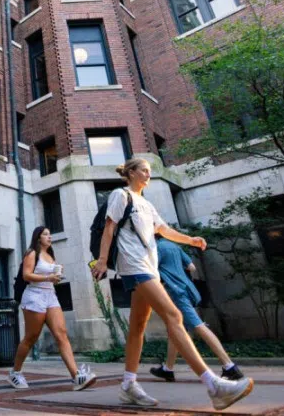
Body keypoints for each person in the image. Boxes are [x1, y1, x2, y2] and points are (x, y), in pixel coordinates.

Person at [91, 158, 253, 411]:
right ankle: (214, 386)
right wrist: (101, 260)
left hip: (149, 266)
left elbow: (165, 231)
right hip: (133, 265)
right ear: (131, 172)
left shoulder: (146, 203)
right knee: (174, 315)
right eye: (144, 170)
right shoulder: (120, 195)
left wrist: (191, 240)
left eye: (149, 171)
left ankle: (128, 385)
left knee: (137, 327)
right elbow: (109, 228)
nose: (148, 174)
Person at [9, 226, 97, 392]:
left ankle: (77, 376)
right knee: (31, 337)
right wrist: (48, 276)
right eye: (45, 234)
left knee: (61, 334)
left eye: (50, 234)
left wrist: (56, 275)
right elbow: (26, 275)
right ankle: (15, 372)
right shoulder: (31, 253)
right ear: (38, 237)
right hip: (34, 296)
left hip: (50, 295)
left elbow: (50, 277)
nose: (49, 237)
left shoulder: (50, 255)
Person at [149, 234, 244, 383]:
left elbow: (151, 271)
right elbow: (191, 267)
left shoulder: (156, 248)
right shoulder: (174, 246)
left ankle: (229, 366)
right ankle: (168, 369)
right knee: (175, 329)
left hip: (176, 292)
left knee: (198, 326)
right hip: (188, 289)